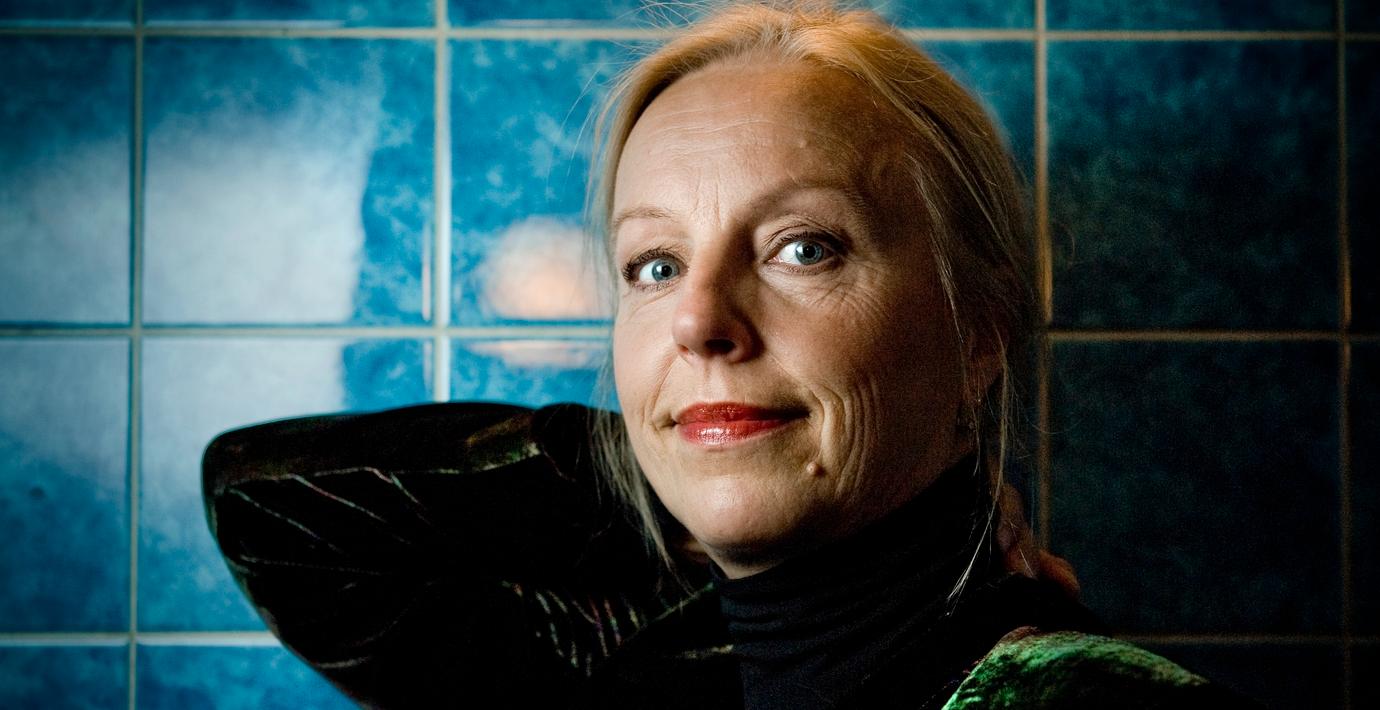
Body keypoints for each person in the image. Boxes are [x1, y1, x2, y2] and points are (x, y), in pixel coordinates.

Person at [203, 3, 1256, 708]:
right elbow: (269, 505)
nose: (699, 320)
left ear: (976, 335)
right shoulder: (653, 662)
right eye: (655, 265)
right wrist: (675, 453)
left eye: (804, 248)